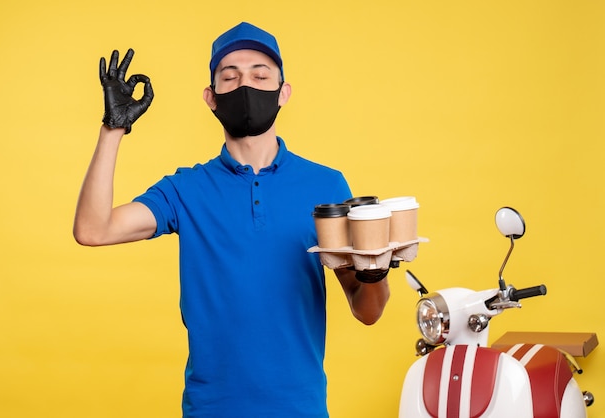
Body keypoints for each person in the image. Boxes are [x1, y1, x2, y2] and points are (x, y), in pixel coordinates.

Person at [74, 22, 391, 418]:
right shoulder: (185, 189)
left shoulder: (325, 186)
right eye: (230, 77)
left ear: (283, 92)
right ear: (211, 97)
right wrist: (113, 129)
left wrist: (375, 270)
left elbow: (368, 310)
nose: (246, 85)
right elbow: (92, 229)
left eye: (260, 75)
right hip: (210, 408)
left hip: (300, 408)